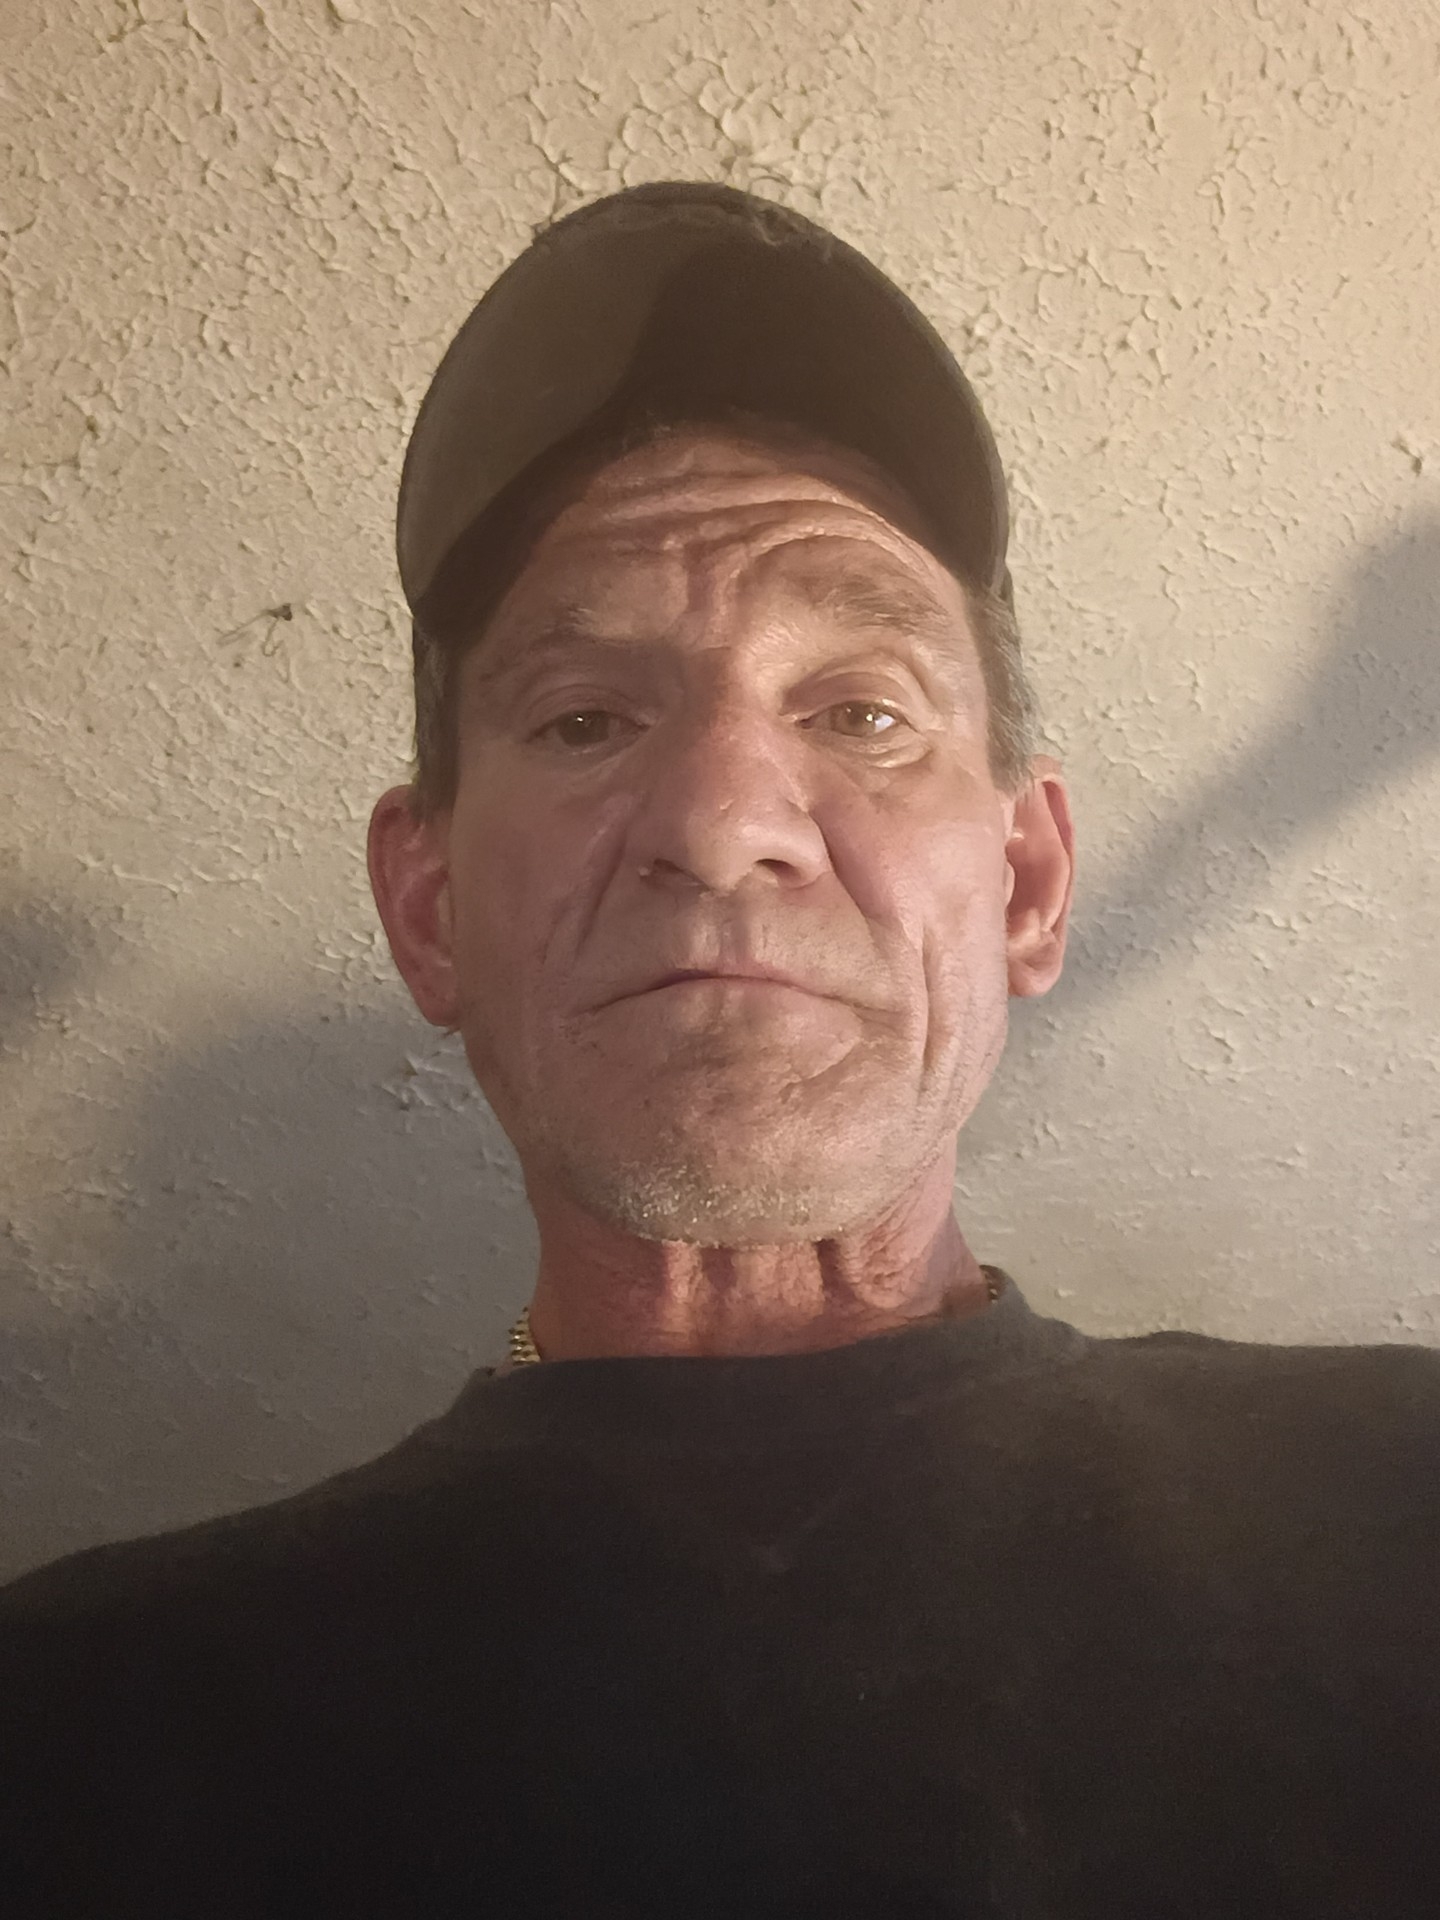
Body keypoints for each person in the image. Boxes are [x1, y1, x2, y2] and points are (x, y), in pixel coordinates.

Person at [1, 180, 1436, 1917]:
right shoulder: (66, 1731)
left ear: (1028, 884)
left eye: (862, 710)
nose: (724, 818)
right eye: (584, 717)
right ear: (431, 910)